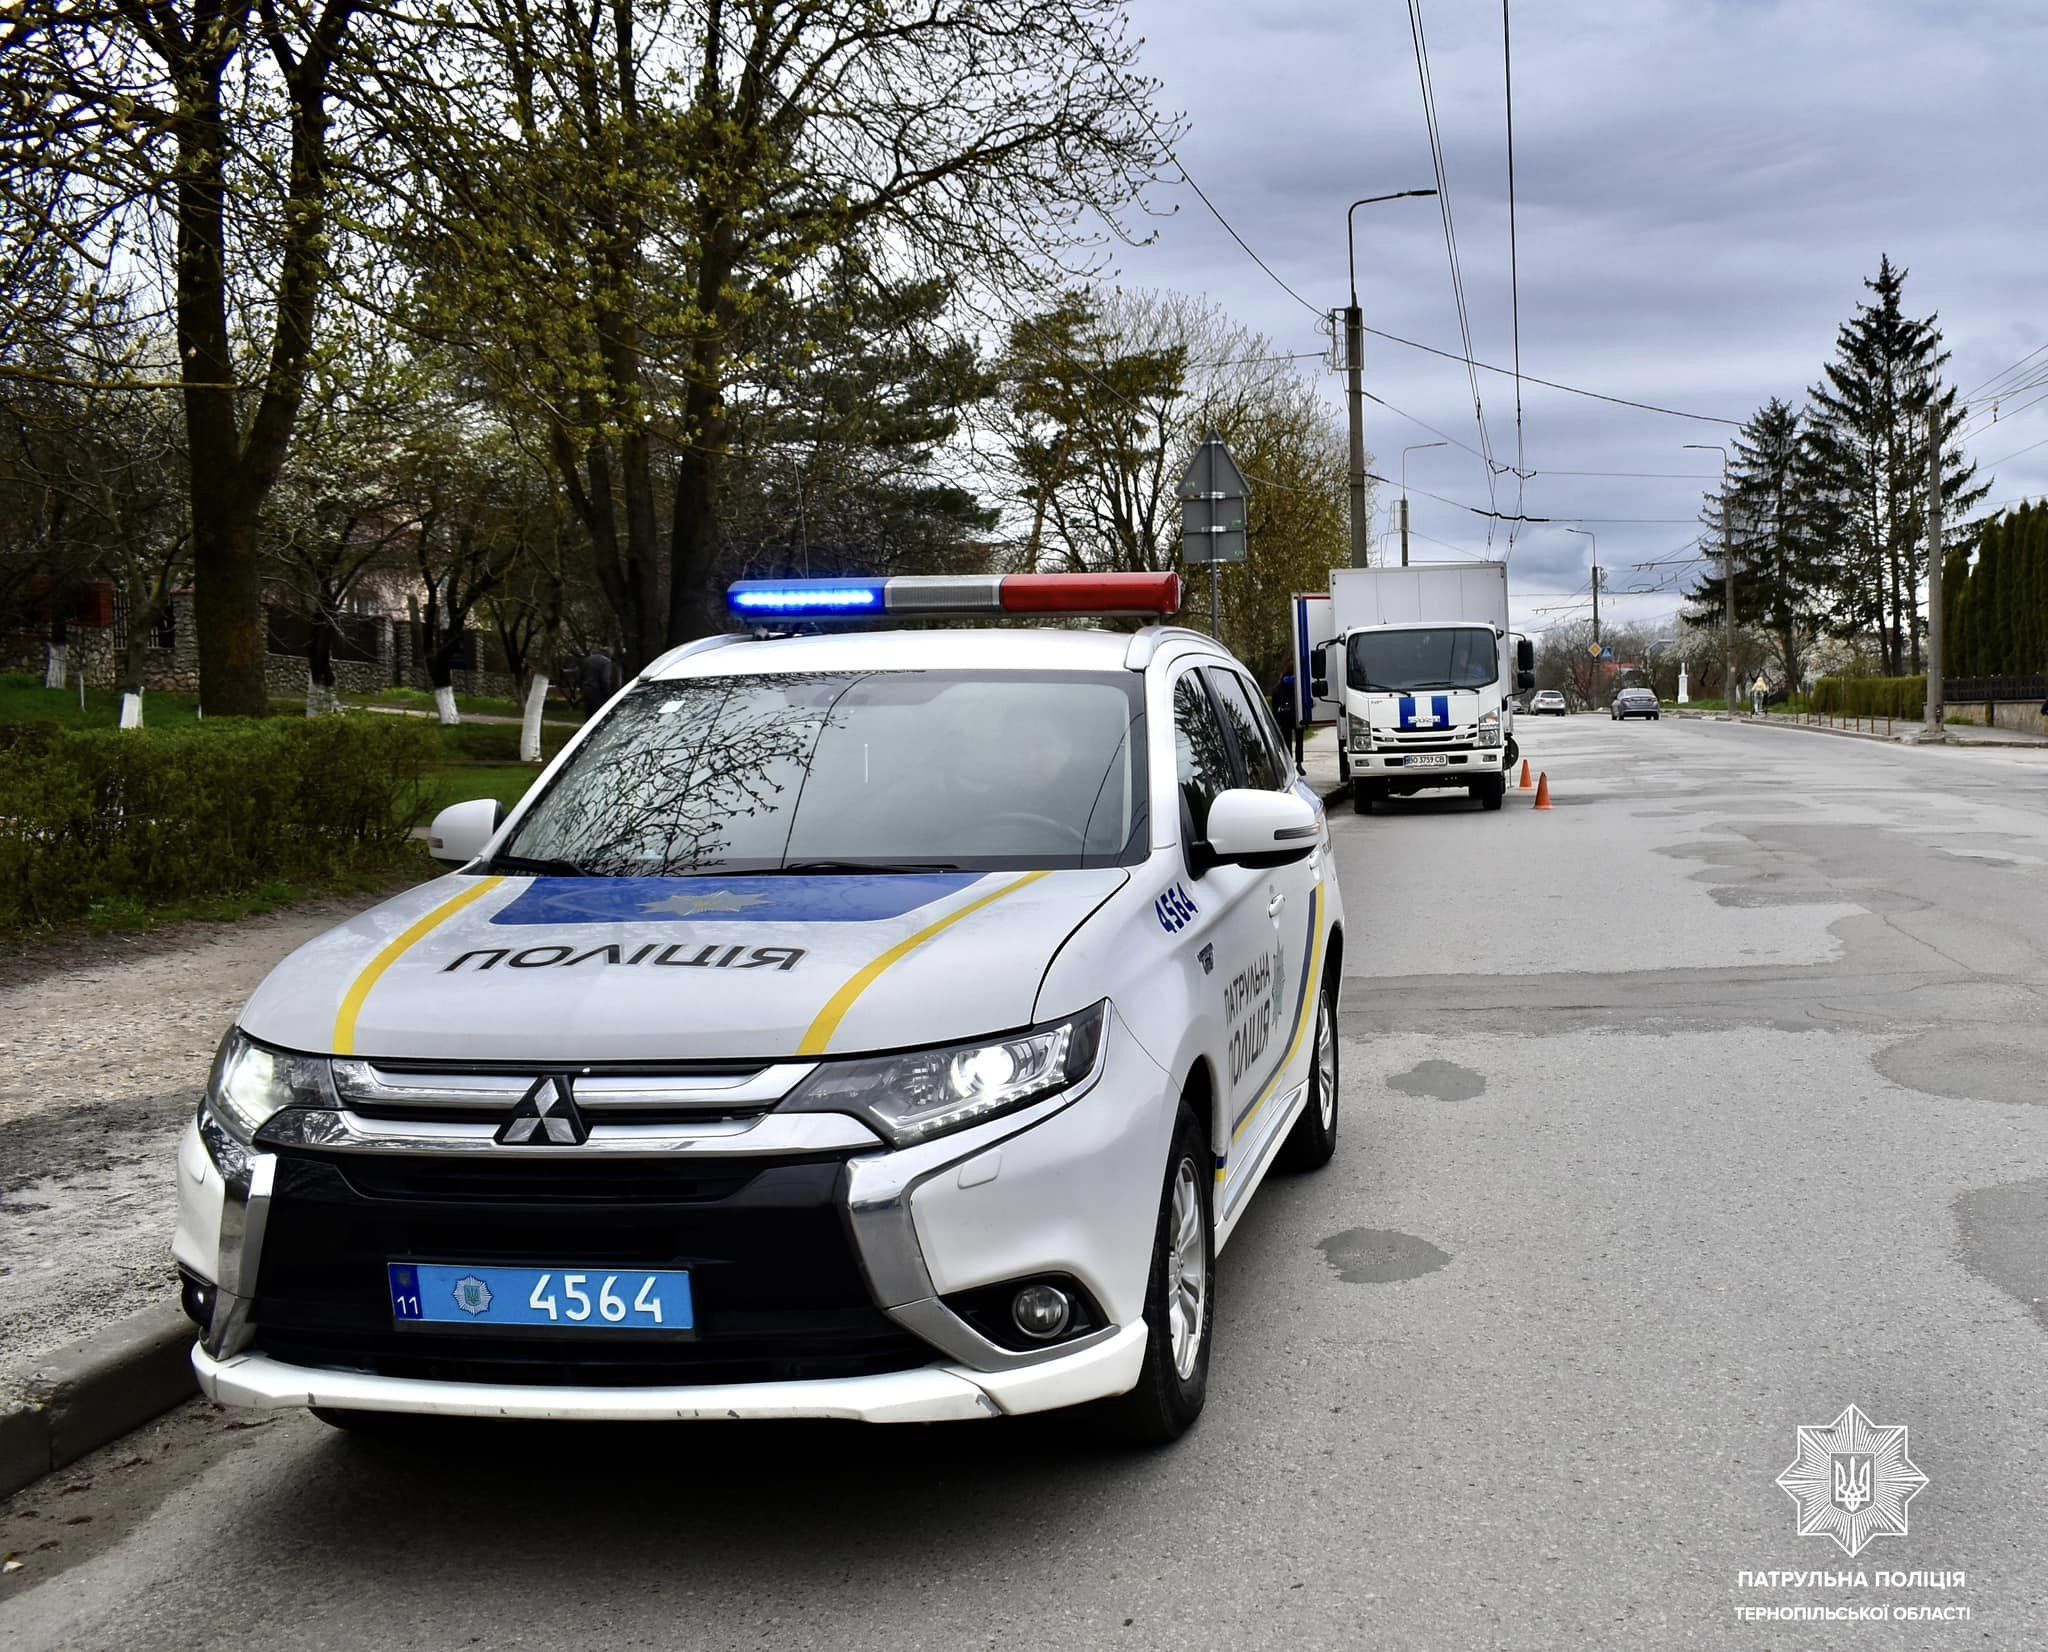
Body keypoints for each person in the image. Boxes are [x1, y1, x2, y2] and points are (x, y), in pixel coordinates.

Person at [1273, 671, 1304, 768]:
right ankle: (1289, 763)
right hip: (1285, 719)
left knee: (1299, 742)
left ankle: (1299, 763)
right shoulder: (1278, 690)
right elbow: (1275, 707)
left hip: (1297, 718)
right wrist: (1277, 721)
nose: (1292, 679)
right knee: (1287, 742)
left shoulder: (1298, 687)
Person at [579, 648, 616, 720]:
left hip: (586, 689)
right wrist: (607, 693)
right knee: (599, 715)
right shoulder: (606, 662)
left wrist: (581, 688)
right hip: (598, 691)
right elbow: (605, 679)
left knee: (589, 714)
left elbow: (581, 676)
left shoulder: (587, 659)